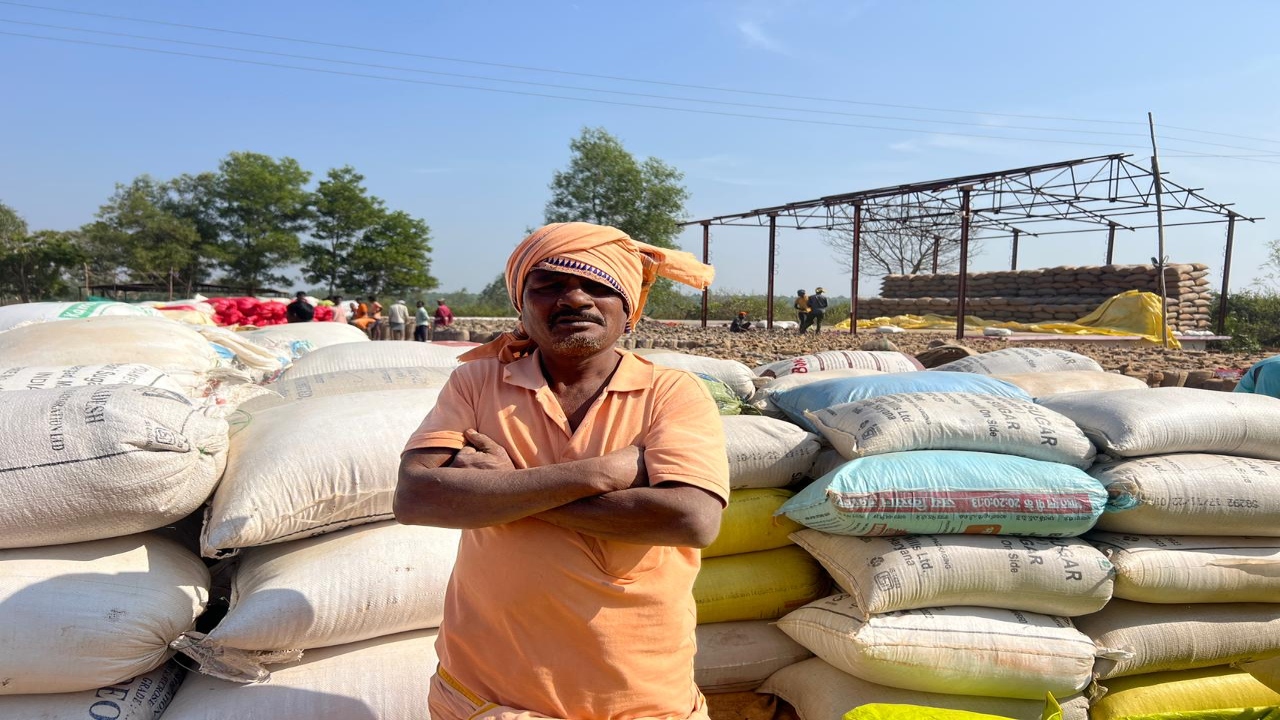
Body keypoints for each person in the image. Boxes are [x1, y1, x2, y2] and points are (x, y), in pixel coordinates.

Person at [395, 222, 728, 720]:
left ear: (629, 309)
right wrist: (598, 473)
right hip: (483, 697)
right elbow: (417, 498)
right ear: (521, 308)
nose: (574, 299)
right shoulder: (476, 382)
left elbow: (690, 519)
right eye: (549, 285)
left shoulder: (672, 392)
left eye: (597, 286)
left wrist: (505, 486)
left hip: (638, 698)